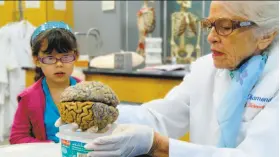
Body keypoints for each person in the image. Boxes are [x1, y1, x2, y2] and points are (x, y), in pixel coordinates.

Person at [56, 1, 279, 157]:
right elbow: (160, 117)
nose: (211, 37)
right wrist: (100, 112)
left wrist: (159, 146)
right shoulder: (205, 69)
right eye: (210, 25)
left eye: (225, 26)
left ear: (267, 34)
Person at [9, 21, 81, 144]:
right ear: (37, 60)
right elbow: (17, 137)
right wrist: (47, 146)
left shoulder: (87, 91)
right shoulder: (28, 98)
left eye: (66, 56)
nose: (59, 64)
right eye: (50, 58)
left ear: (76, 56)